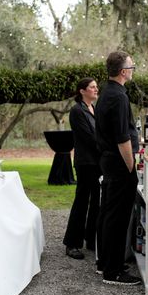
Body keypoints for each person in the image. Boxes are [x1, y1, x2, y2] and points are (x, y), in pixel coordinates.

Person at [94, 51, 141, 285]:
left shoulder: (107, 93)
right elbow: (122, 138)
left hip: (109, 162)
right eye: (131, 67)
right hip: (119, 164)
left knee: (108, 214)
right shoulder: (119, 97)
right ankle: (113, 271)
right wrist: (131, 166)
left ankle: (105, 263)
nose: (133, 70)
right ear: (123, 71)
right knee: (118, 217)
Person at [63, 78, 101, 259]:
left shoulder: (95, 109)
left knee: (96, 202)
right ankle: (71, 244)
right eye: (92, 87)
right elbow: (89, 138)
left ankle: (91, 239)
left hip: (98, 163)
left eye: (96, 87)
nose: (96, 89)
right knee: (82, 201)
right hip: (86, 163)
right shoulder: (77, 111)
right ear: (82, 91)